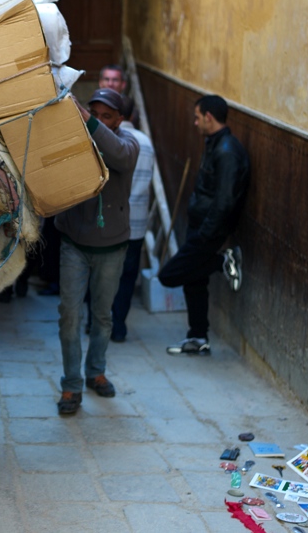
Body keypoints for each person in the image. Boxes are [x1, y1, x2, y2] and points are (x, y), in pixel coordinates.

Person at [54, 89, 140, 415]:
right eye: (95, 113)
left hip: (113, 246)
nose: (100, 120)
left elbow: (117, 153)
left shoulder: (129, 144)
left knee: (103, 316)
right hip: (74, 243)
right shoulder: (74, 141)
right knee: (70, 317)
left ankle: (96, 372)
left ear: (120, 120)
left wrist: (87, 120)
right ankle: (72, 385)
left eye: (108, 116)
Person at [159, 95, 250, 356]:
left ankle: (224, 261)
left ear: (209, 117)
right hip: (200, 224)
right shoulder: (215, 144)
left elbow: (224, 201)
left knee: (170, 275)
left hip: (208, 230)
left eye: (198, 117)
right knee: (195, 280)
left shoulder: (227, 151)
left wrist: (206, 235)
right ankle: (198, 337)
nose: (195, 122)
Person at [109, 95, 155, 342]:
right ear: (133, 116)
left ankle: (97, 323)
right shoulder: (146, 143)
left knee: (103, 275)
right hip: (136, 223)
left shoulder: (110, 140)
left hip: (111, 222)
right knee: (127, 277)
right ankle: (119, 327)